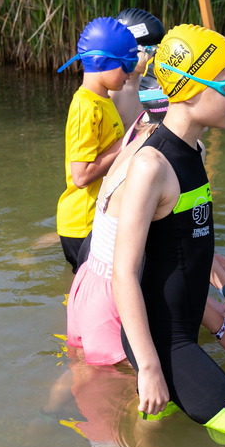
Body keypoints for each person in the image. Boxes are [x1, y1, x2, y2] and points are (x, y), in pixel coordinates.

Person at [112, 24, 225, 447]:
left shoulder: (194, 150)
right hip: (164, 344)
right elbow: (123, 274)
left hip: (183, 329)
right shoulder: (151, 166)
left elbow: (187, 245)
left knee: (156, 427)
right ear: (186, 89)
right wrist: (148, 366)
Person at [65, 82, 225, 366]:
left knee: (85, 374)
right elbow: (167, 268)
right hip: (120, 300)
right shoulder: (165, 162)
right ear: (185, 103)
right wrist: (221, 325)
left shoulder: (137, 138)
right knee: (138, 398)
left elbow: (176, 244)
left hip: (91, 284)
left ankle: (47, 410)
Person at [55, 17, 139, 273]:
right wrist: (126, 144)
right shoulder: (86, 107)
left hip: (96, 218)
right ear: (101, 62)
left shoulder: (102, 101)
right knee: (90, 295)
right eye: (126, 64)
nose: (130, 72)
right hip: (82, 224)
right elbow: (80, 176)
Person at [109, 8, 166, 131]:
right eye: (155, 51)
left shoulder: (149, 85)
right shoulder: (113, 93)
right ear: (134, 51)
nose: (158, 57)